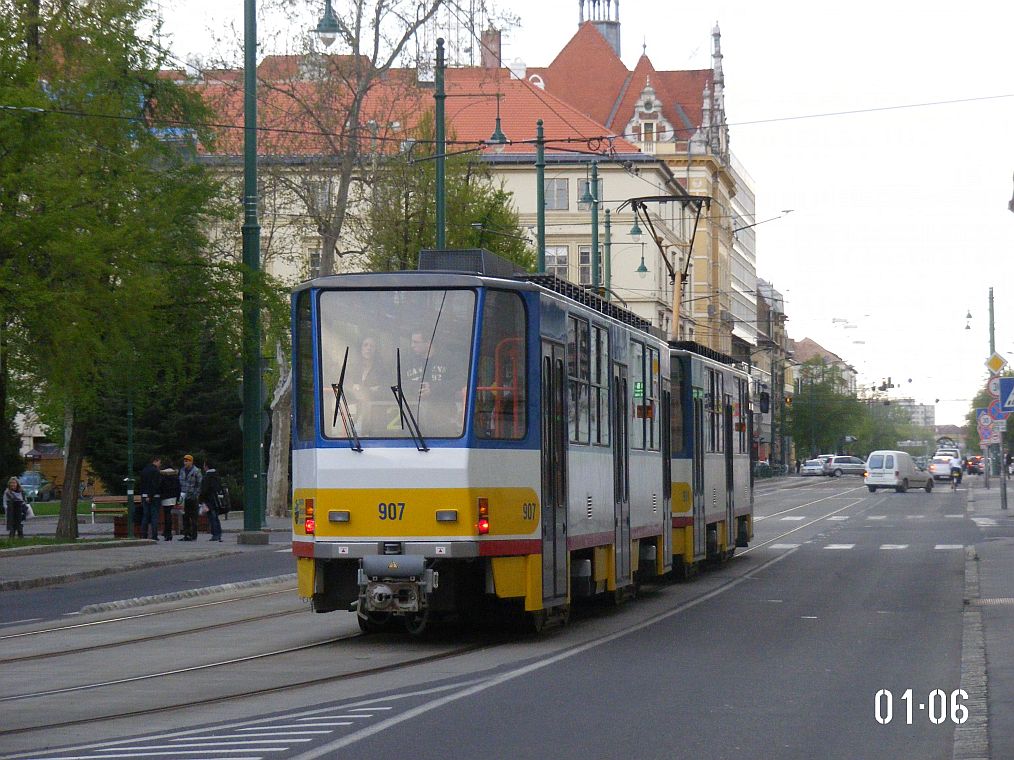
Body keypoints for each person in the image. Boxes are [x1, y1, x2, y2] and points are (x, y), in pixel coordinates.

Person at [178, 454, 203, 541]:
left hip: (193, 497)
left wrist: (196, 494)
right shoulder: (182, 470)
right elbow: (180, 482)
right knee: (185, 516)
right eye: (185, 460)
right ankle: (186, 534)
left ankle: (194, 535)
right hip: (184, 497)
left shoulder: (196, 471)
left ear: (191, 462)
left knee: (194, 517)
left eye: (187, 460)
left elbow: (200, 484)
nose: (185, 462)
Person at [138, 456, 162, 541]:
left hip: (144, 495)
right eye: (159, 462)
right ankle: (154, 535)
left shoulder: (144, 470)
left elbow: (141, 484)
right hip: (154, 496)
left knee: (145, 515)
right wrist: (150, 495)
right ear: (155, 461)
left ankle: (143, 534)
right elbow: (155, 485)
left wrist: (143, 496)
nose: (160, 464)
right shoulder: (155, 471)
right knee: (154, 516)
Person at [199, 460, 224, 542]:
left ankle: (215, 534)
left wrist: (201, 499)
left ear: (207, 466)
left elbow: (204, 490)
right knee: (215, 517)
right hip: (216, 499)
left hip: (209, 500)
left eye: (204, 465)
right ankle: (218, 533)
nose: (203, 467)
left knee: (212, 517)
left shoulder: (207, 477)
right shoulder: (216, 476)